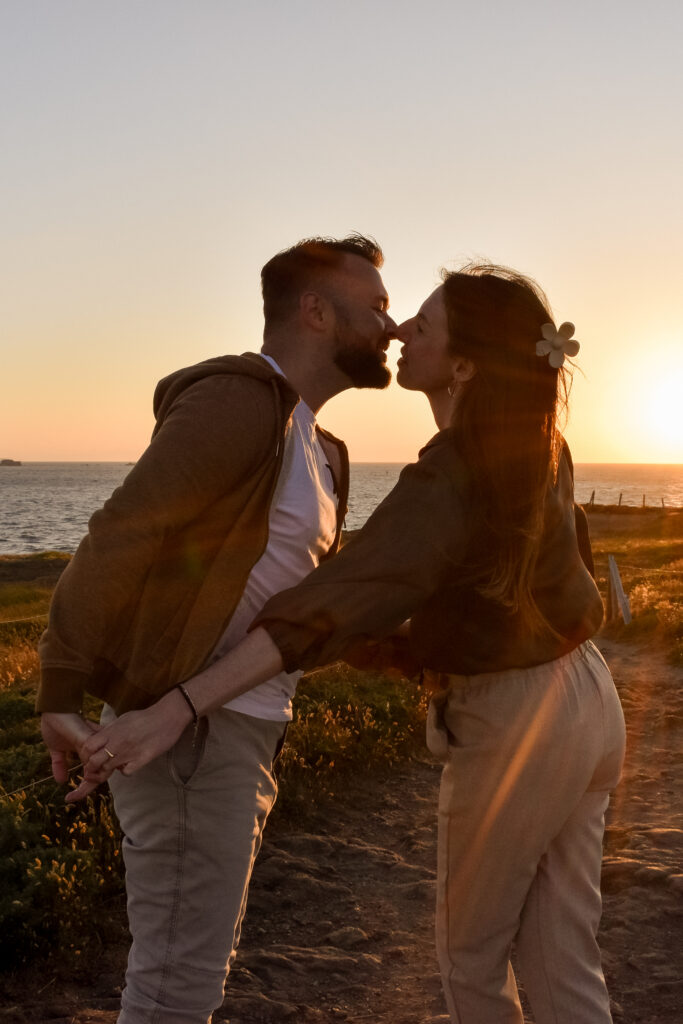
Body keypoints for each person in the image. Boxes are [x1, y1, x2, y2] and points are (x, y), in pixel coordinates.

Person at [74, 263, 626, 1024]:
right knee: (563, 957)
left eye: (421, 326)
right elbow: (510, 594)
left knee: (472, 959)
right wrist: (401, 646)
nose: (399, 330)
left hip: (517, 723)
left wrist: (180, 705)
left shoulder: (451, 476)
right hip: (591, 704)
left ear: (462, 364)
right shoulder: (540, 447)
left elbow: (332, 603)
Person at [37, 232, 398, 1024]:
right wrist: (59, 686)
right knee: (175, 985)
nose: (392, 325)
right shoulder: (240, 400)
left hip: (237, 730)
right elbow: (122, 531)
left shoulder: (324, 449)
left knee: (191, 968)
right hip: (183, 739)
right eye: (373, 306)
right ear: (313, 311)